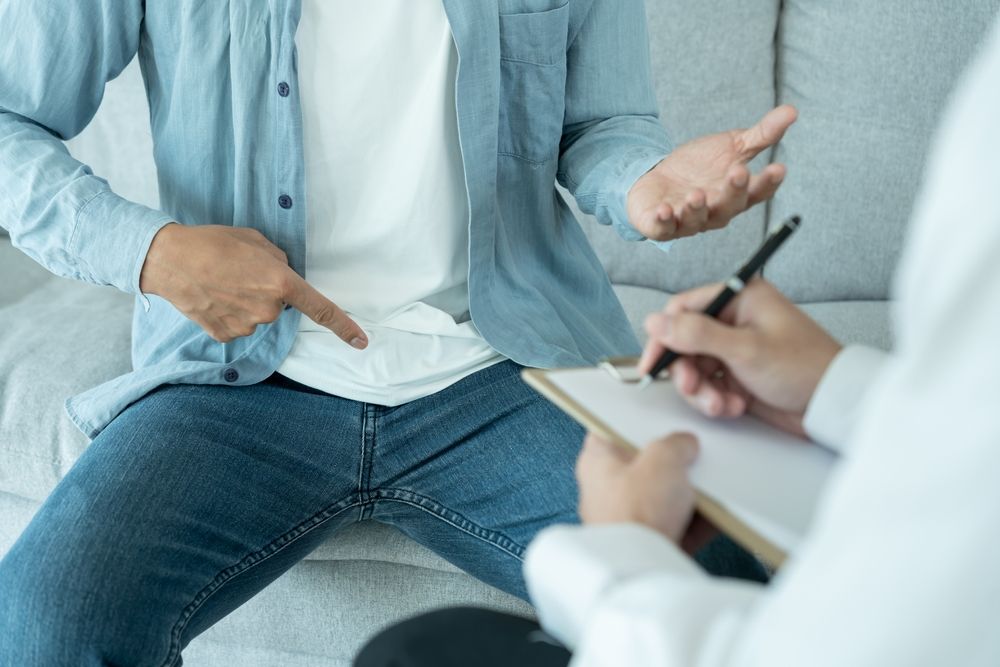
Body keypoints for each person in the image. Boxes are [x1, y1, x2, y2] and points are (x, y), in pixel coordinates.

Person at [0, 1, 796, 664]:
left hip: (502, 371)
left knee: (720, 596)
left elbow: (604, 124)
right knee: (44, 624)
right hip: (239, 377)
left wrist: (644, 182)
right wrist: (152, 251)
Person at [355, 15, 1000, 667]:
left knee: (414, 653)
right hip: (258, 366)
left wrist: (628, 551)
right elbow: (970, 433)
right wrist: (838, 386)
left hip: (492, 363)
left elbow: (882, 624)